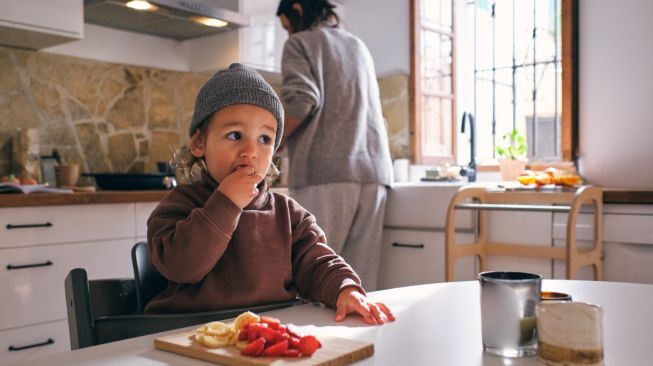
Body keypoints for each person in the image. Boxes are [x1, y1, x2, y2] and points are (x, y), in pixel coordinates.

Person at [145, 63, 394, 325]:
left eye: (265, 139)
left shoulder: (288, 214)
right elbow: (183, 266)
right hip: (189, 334)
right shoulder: (179, 204)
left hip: (267, 334)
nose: (250, 151)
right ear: (199, 144)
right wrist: (226, 204)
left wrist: (345, 289)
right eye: (235, 135)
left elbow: (317, 262)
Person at [276, 0, 394, 291]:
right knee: (358, 284)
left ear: (297, 10)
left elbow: (302, 99)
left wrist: (272, 142)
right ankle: (361, 339)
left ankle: (308, 339)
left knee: (310, 275)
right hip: (375, 174)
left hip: (327, 171)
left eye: (286, 26)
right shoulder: (357, 46)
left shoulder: (300, 44)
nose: (288, 34)